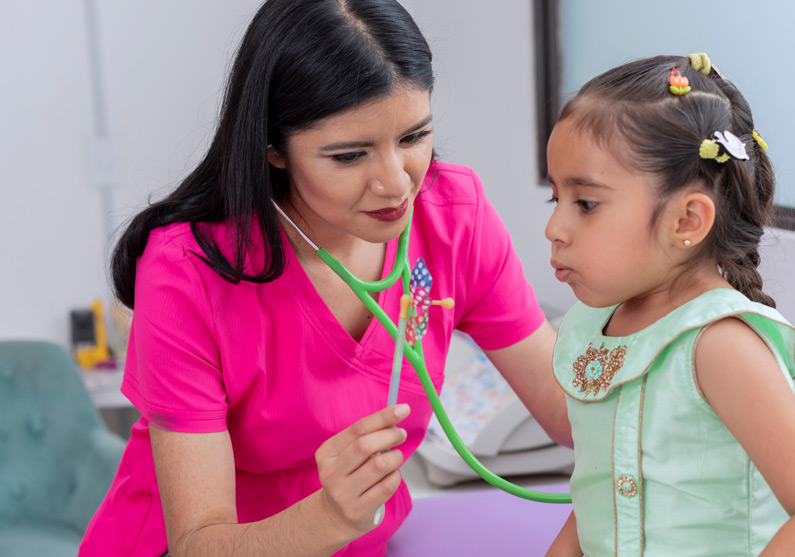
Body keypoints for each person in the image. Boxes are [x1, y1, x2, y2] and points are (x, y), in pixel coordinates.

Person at [80, 1, 569, 555]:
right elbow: (198, 541)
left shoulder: (456, 214)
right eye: (348, 155)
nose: (395, 184)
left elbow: (563, 407)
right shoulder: (185, 271)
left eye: (413, 138)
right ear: (274, 150)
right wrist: (328, 517)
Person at [543, 54, 795, 556]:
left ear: (687, 221)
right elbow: (599, 493)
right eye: (555, 200)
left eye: (585, 204)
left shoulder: (720, 346)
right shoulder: (591, 325)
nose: (554, 229)